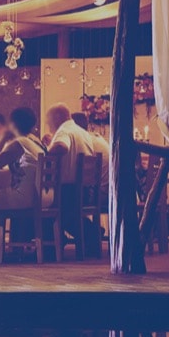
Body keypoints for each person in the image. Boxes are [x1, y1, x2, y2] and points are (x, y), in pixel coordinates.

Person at [45, 103, 107, 255]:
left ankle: (50, 246)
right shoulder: (82, 132)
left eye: (49, 122)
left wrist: (46, 154)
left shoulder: (63, 131)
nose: (48, 126)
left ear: (57, 117)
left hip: (69, 192)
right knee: (53, 205)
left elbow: (61, 146)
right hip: (86, 190)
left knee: (43, 204)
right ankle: (91, 233)